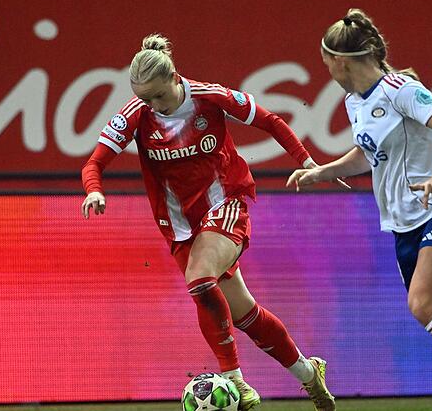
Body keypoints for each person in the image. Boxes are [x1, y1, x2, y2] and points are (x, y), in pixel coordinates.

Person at [81, 34, 336, 411]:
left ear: (174, 78)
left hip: (225, 203)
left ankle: (235, 383)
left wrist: (305, 160)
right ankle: (309, 374)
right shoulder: (136, 114)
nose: (151, 105)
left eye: (157, 96)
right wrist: (93, 190)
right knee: (245, 315)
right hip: (179, 227)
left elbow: (271, 121)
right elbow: (94, 162)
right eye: (144, 98)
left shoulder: (210, 96)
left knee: (200, 279)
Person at [287, 9, 432, 411]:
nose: (324, 67)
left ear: (340, 60)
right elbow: (368, 154)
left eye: (325, 60)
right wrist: (325, 171)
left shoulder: (400, 88)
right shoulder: (354, 102)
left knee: (423, 304)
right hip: (403, 226)